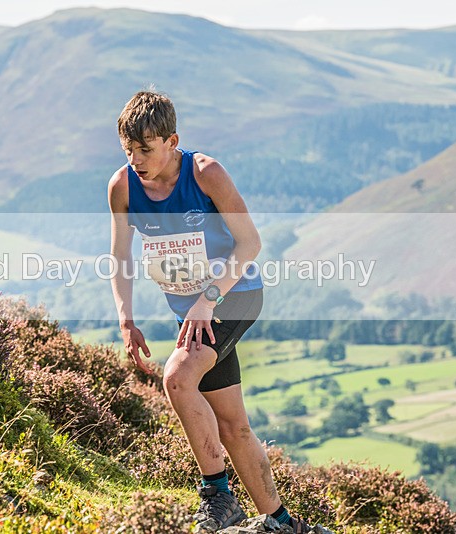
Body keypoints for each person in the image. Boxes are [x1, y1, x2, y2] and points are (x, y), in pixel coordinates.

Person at [107, 90, 317, 533]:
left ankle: (218, 496)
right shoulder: (122, 187)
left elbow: (250, 244)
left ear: (172, 140)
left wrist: (208, 299)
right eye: (129, 150)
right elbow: (120, 258)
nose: (137, 159)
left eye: (146, 149)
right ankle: (282, 522)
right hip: (193, 313)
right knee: (234, 425)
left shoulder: (205, 174)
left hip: (235, 294)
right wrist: (126, 319)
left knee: (178, 378)